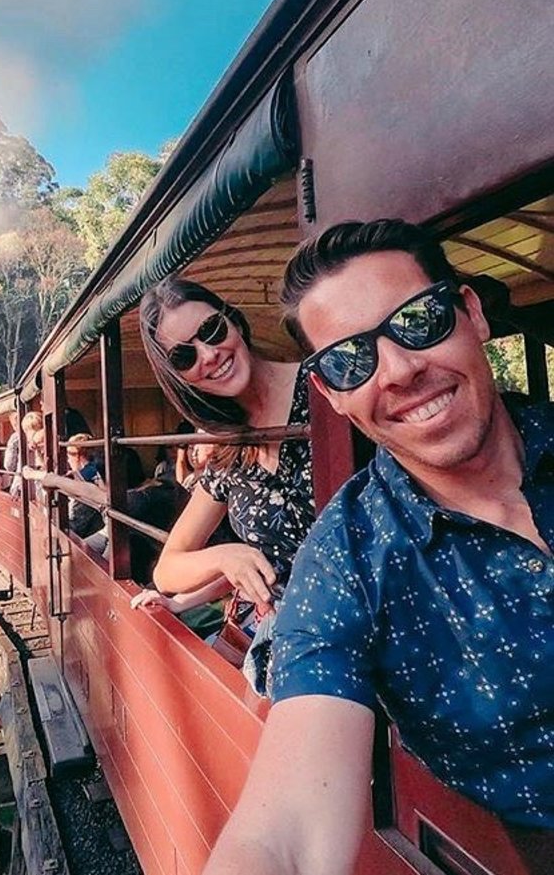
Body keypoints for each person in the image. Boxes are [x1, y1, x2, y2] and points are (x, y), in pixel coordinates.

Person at [208, 220, 554, 875]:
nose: (399, 370)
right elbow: (283, 827)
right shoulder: (345, 561)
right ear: (335, 395)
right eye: (349, 359)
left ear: (471, 313)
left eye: (419, 319)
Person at [138, 276, 314, 614]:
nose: (209, 354)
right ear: (178, 377)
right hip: (291, 636)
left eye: (212, 330)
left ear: (232, 319)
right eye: (183, 356)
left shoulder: (323, 385)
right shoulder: (229, 448)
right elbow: (166, 570)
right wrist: (224, 557)